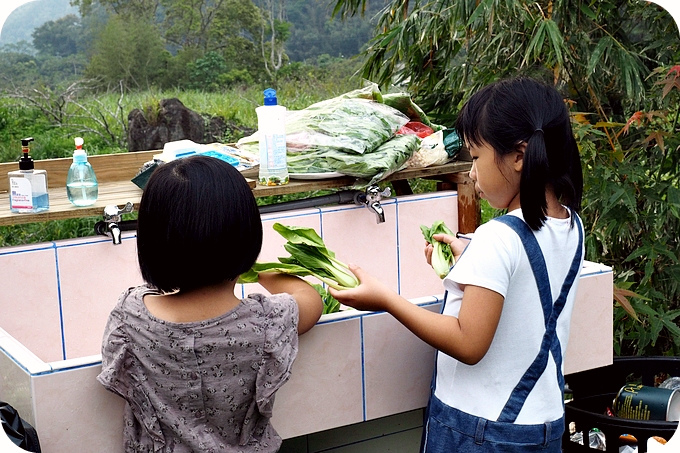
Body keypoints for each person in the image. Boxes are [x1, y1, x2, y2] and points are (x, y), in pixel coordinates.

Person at [330, 77, 584, 452]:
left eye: (476, 157)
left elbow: (469, 343)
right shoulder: (570, 223)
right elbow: (528, 285)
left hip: (481, 432)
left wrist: (386, 299)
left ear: (519, 155)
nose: (472, 173)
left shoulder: (498, 237)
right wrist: (470, 261)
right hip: (541, 425)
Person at [97, 155, 323, 453]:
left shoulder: (130, 316)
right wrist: (260, 270)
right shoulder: (266, 320)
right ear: (247, 235)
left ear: (150, 243)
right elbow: (311, 300)